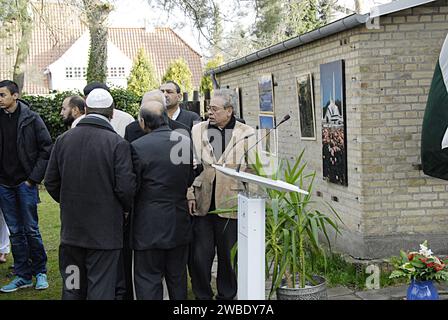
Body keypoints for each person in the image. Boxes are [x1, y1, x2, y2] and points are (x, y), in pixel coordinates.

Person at [44, 88, 136, 300]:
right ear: (112, 112)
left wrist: (69, 201)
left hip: (71, 231)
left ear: (85, 109)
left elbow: (51, 181)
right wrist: (122, 209)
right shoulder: (117, 144)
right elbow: (125, 188)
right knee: (101, 287)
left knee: (72, 284)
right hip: (104, 233)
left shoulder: (63, 140)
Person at [187, 88, 256, 300]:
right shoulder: (197, 129)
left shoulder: (247, 133)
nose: (210, 112)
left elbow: (254, 169)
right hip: (203, 202)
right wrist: (190, 193)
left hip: (231, 202)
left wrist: (250, 199)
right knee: (199, 256)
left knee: (228, 257)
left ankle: (227, 297)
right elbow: (190, 166)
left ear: (229, 110)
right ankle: (202, 296)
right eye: (209, 108)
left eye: (215, 109)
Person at [132, 99, 194, 300]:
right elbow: (189, 179)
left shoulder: (137, 146)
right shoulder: (184, 142)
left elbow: (131, 186)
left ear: (143, 122)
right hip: (178, 218)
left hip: (147, 222)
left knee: (148, 278)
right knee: (177, 277)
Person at [0, 80, 52, 293]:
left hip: (25, 183)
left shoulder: (31, 118)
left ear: (15, 95)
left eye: (2, 95)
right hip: (4, 184)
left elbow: (46, 149)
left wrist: (32, 179)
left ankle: (40, 272)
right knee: (15, 231)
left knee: (31, 229)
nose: (0, 99)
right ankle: (22, 275)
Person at [124, 90, 190, 143]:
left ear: (164, 107)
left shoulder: (182, 130)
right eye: (147, 106)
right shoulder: (131, 129)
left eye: (155, 105)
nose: (151, 109)